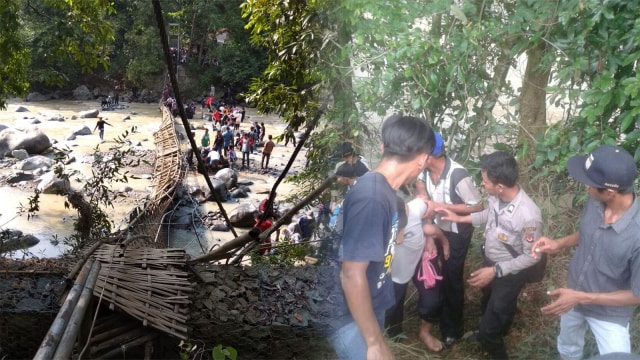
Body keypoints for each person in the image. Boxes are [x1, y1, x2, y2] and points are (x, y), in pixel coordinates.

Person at [326, 114, 435, 360]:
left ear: (383, 147)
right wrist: (374, 341)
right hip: (346, 312)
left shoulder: (384, 192)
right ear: (422, 160)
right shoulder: (373, 198)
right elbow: (351, 273)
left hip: (367, 302)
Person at [532, 144, 640, 359]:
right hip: (573, 292)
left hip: (610, 313)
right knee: (568, 345)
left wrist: (582, 298)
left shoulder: (637, 235)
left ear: (610, 192)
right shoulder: (596, 200)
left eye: (589, 184)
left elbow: (637, 295)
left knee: (618, 357)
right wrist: (559, 243)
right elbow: (590, 233)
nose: (585, 187)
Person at [438, 151, 543, 359]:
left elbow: (532, 257)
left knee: (489, 330)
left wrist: (495, 271)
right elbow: (488, 215)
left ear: (500, 186)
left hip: (510, 271)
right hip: (491, 262)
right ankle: (498, 326)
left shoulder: (529, 216)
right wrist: (459, 219)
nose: (482, 184)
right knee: (488, 302)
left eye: (485, 181)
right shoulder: (496, 196)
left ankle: (491, 339)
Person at [413, 131, 484, 351]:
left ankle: (453, 329)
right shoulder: (424, 172)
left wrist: (444, 207)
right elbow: (418, 186)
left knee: (452, 277)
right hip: (436, 228)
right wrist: (424, 196)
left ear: (429, 156)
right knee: (436, 273)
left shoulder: (457, 174)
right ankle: (434, 315)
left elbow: (477, 206)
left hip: (457, 230)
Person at [385, 197, 449, 339]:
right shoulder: (373, 226)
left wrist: (430, 237)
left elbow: (430, 208)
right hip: (397, 271)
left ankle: (425, 332)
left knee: (432, 301)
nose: (399, 239)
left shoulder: (415, 207)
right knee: (392, 307)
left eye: (402, 225)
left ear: (407, 209)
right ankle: (395, 335)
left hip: (421, 260)